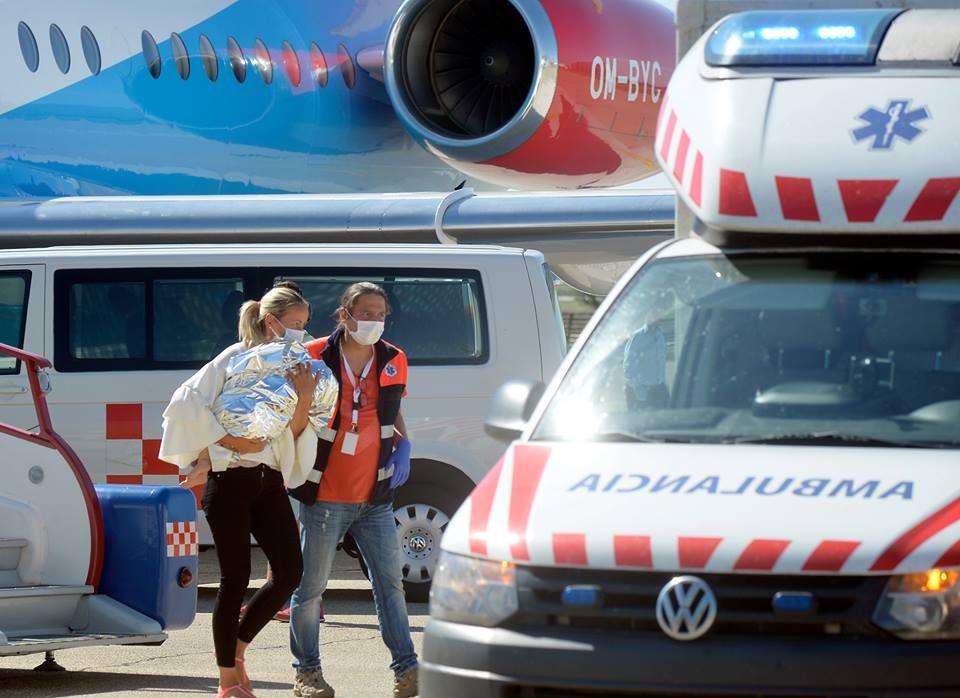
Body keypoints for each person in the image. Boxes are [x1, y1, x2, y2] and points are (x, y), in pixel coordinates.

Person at [160, 285, 320, 698]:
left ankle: (238, 649)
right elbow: (184, 403)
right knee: (235, 578)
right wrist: (229, 443)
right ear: (272, 322)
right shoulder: (233, 357)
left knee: (289, 573)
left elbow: (296, 432)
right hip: (229, 483)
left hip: (269, 482)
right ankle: (226, 678)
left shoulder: (296, 365)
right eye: (296, 323)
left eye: (305, 324)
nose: (302, 332)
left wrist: (304, 397)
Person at [288, 281, 418, 698]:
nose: (374, 321)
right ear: (344, 315)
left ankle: (407, 669)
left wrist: (404, 444)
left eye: (381, 314)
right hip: (326, 493)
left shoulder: (394, 358)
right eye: (366, 313)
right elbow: (291, 419)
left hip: (375, 496)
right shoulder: (313, 355)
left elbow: (392, 411)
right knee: (310, 590)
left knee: (391, 584)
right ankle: (307, 673)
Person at [623, 292, 670, 409]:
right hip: (641, 391)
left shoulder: (660, 336)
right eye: (653, 313)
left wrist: (663, 385)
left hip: (659, 389)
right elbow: (628, 365)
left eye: (659, 314)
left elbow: (660, 363)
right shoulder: (637, 336)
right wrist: (637, 387)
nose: (656, 316)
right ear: (647, 315)